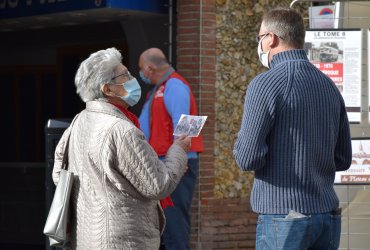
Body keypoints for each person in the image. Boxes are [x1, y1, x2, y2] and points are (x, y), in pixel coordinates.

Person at [233, 8, 352, 250]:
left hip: (283, 214)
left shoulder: (264, 84)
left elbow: (247, 158)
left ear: (271, 38)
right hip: (326, 213)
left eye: (260, 38)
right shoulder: (328, 85)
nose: (260, 45)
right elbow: (343, 158)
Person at [52, 47, 191, 250]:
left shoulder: (78, 121)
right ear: (107, 89)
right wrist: (178, 150)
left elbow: (58, 174)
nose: (132, 78)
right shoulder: (122, 130)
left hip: (86, 237)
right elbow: (158, 184)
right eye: (125, 75)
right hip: (123, 239)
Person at [138, 48, 204, 250]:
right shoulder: (160, 89)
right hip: (164, 162)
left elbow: (184, 128)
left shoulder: (175, 86)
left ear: (150, 68)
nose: (140, 74)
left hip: (175, 164)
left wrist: (178, 160)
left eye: (141, 69)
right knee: (166, 225)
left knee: (174, 225)